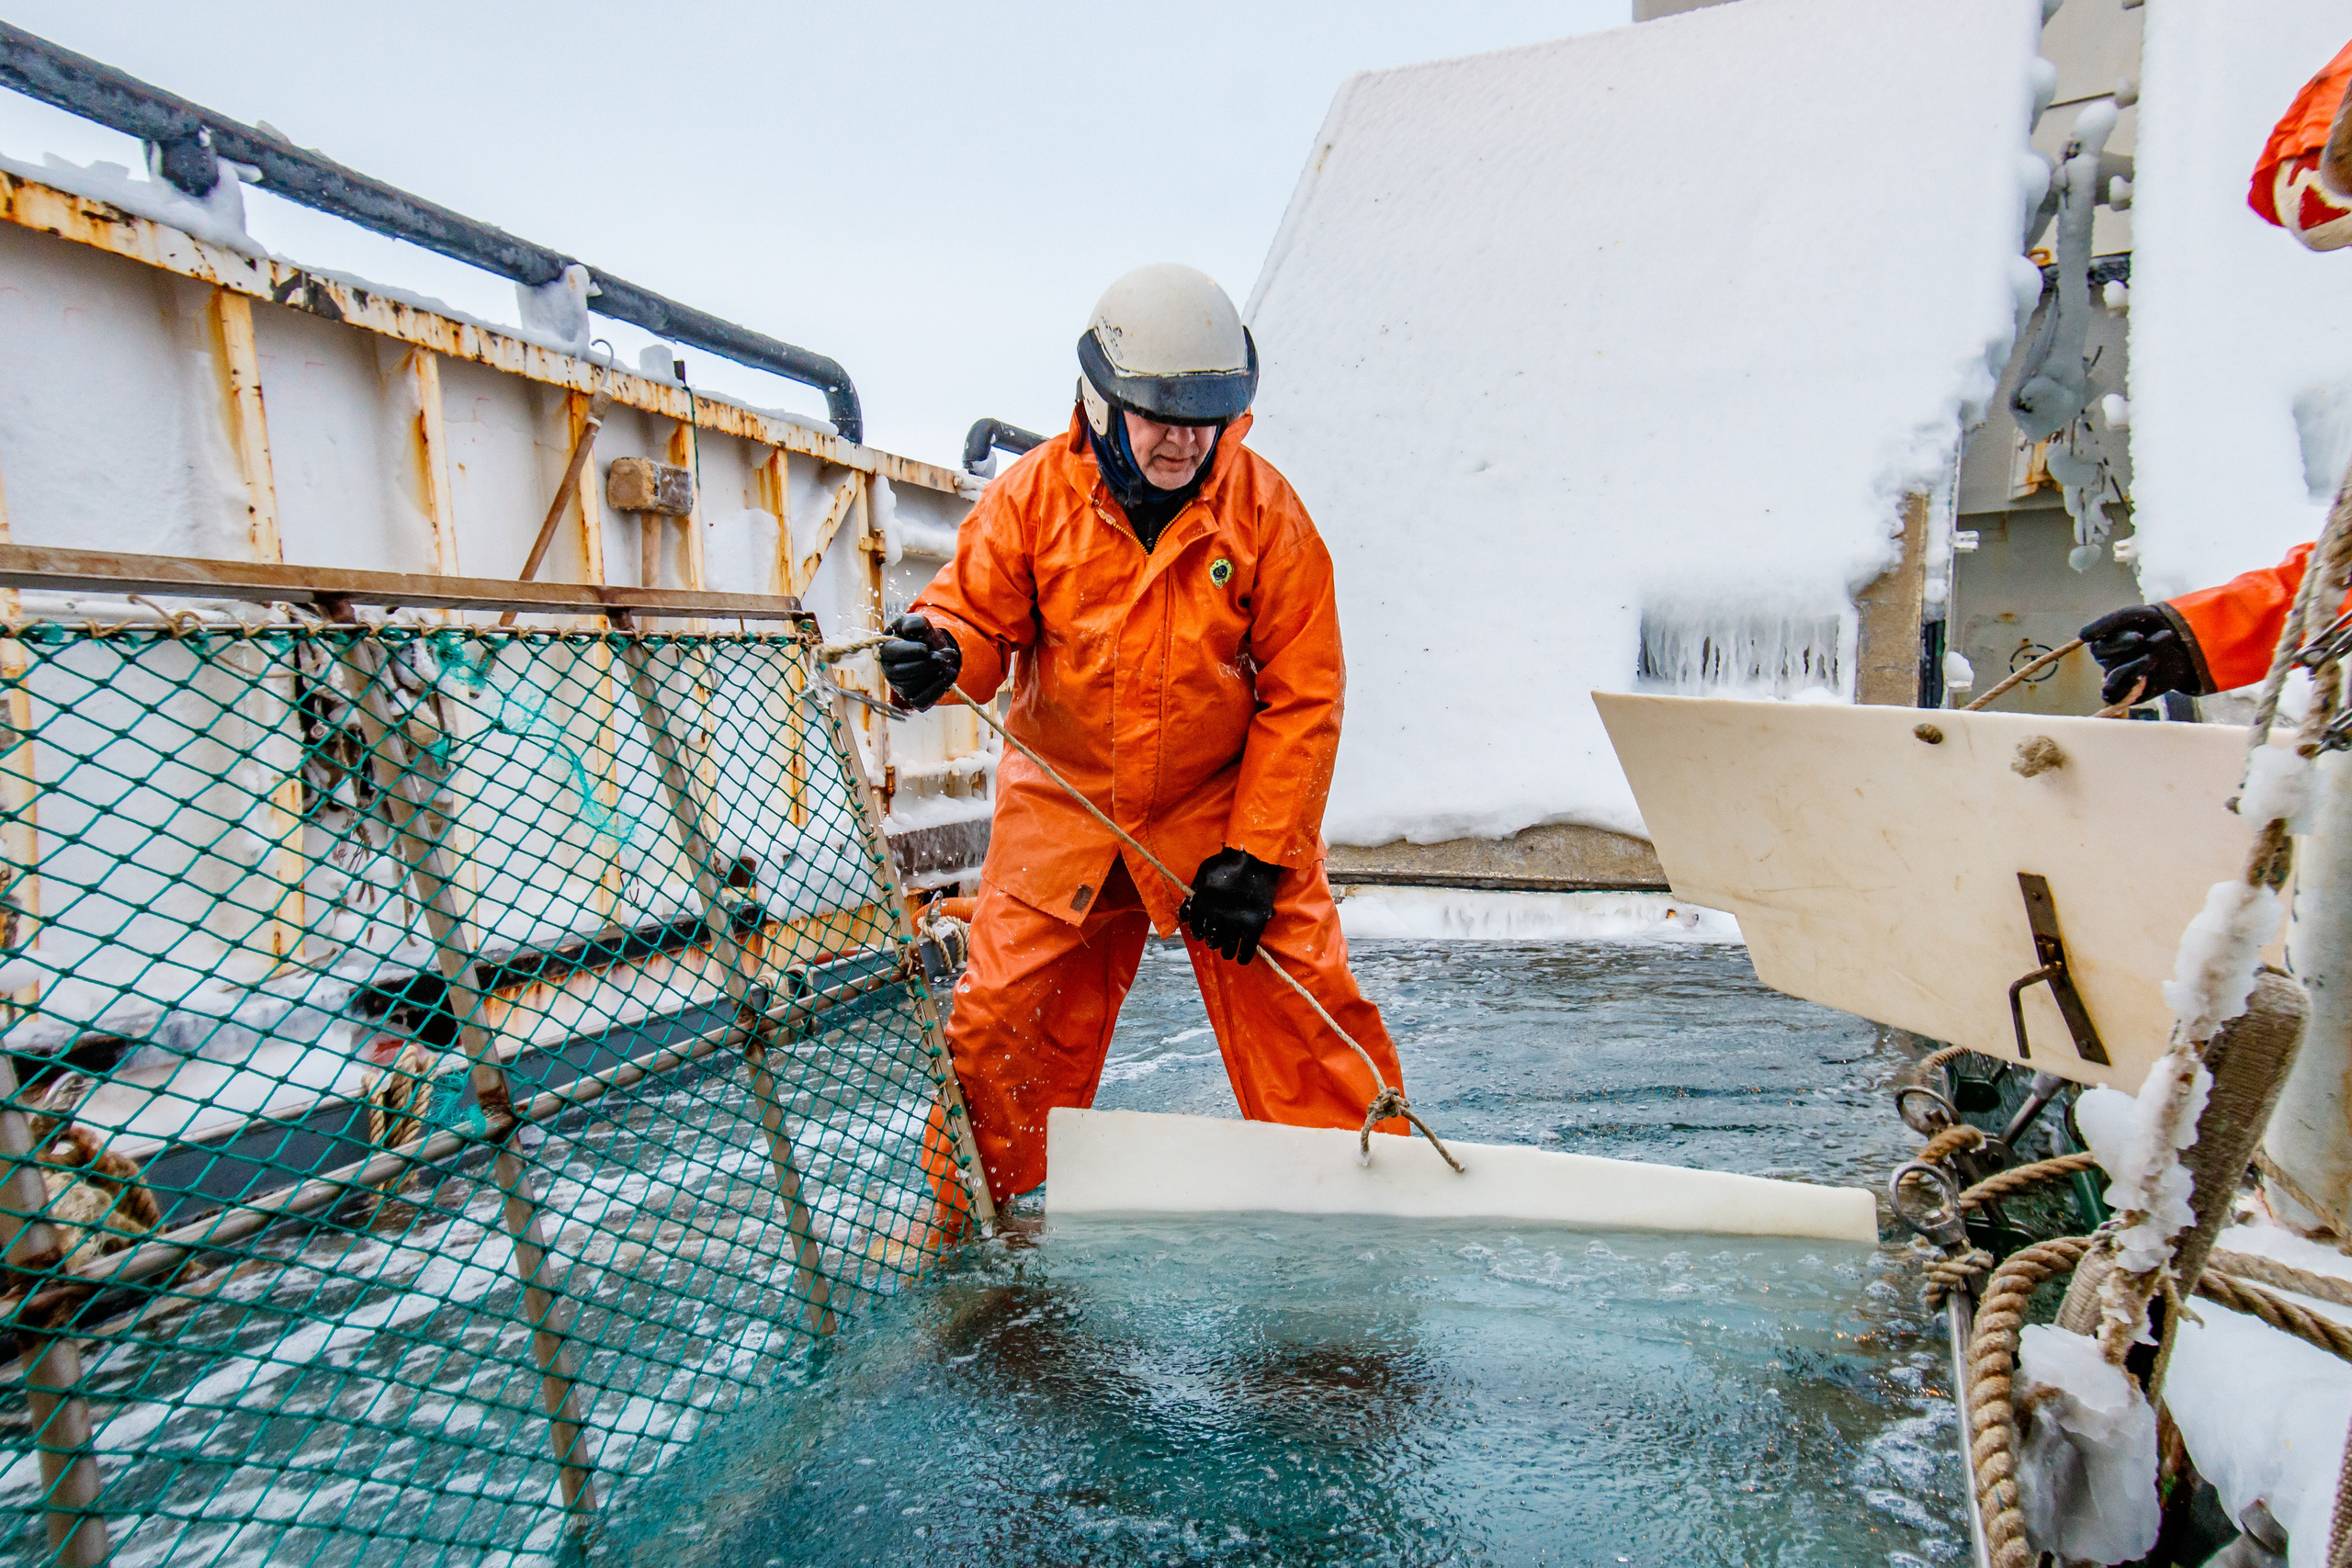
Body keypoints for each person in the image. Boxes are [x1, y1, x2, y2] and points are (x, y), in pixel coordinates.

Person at [878, 263, 1407, 1208]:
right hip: (1065, 812)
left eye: (1202, 416)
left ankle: (1370, 1209)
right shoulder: (1031, 499)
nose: (1180, 440)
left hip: (1223, 817)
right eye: (1159, 412)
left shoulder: (1268, 514)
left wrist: (1255, 856)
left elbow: (1304, 696)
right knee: (1001, 1036)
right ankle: (984, 1235)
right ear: (1102, 398)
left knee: (1309, 1020)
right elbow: (976, 621)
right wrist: (937, 650)